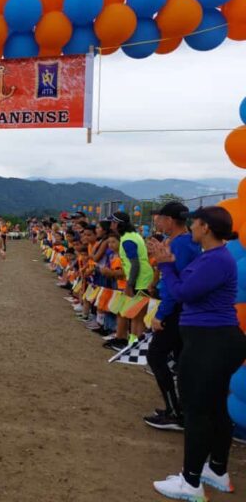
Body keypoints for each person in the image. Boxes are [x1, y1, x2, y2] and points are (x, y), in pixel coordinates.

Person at [148, 206, 246, 500]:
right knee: (215, 409)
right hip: (213, 341)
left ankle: (190, 482)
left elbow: (182, 293)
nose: (191, 226)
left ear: (206, 228)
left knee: (197, 412)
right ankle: (216, 470)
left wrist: (166, 265)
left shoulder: (216, 259)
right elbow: (189, 286)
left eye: (195, 223)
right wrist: (171, 261)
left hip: (209, 343)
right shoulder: (213, 257)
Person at [143, 202, 201, 432]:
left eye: (159, 217)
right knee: (178, 360)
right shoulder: (181, 242)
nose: (156, 221)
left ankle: (175, 412)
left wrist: (162, 313)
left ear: (169, 220)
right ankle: (180, 409)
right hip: (179, 308)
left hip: (176, 309)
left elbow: (177, 284)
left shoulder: (181, 245)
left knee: (156, 356)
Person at [109, 211, 154, 351]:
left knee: (139, 316)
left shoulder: (128, 240)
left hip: (141, 280)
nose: (111, 224)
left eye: (112, 222)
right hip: (141, 279)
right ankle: (132, 343)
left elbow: (135, 264)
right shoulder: (132, 236)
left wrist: (130, 284)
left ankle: (137, 348)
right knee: (135, 315)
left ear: (117, 224)